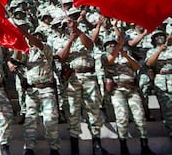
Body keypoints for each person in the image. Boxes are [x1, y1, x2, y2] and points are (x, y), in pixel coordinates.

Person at [57, 15, 110, 155]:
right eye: (66, 26)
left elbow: (90, 45)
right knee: (73, 111)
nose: (69, 27)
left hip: (89, 77)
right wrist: (71, 39)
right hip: (72, 79)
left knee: (93, 110)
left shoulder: (83, 35)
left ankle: (97, 144)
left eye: (70, 24)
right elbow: (61, 57)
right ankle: (75, 146)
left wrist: (78, 32)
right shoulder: (58, 40)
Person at [101, 22, 155, 155]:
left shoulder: (125, 54)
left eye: (113, 44)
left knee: (140, 117)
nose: (112, 46)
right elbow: (109, 61)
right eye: (109, 45)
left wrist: (125, 55)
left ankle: (145, 146)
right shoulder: (104, 56)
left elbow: (136, 67)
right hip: (117, 91)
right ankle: (123, 147)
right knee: (122, 117)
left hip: (132, 89)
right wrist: (119, 46)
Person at [10, 25, 60, 155]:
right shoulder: (28, 52)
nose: (36, 38)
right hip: (32, 91)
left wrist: (26, 34)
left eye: (38, 36)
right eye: (34, 36)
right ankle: (29, 148)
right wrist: (19, 39)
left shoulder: (47, 49)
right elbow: (18, 58)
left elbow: (39, 44)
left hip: (47, 90)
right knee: (30, 120)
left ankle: (54, 148)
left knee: (50, 120)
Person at [145, 29, 172, 138]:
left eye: (161, 35)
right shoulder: (151, 51)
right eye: (156, 36)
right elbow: (149, 63)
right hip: (161, 81)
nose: (159, 38)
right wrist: (159, 50)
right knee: (167, 109)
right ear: (153, 40)